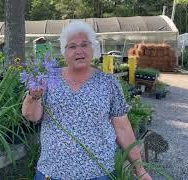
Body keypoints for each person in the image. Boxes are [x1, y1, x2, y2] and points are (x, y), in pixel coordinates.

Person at [22, 21, 152, 180]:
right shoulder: (47, 78)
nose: (79, 51)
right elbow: (32, 116)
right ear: (64, 52)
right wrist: (34, 96)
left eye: (84, 44)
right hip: (52, 172)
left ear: (93, 49)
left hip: (99, 173)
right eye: (72, 46)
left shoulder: (108, 83)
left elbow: (123, 128)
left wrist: (140, 169)